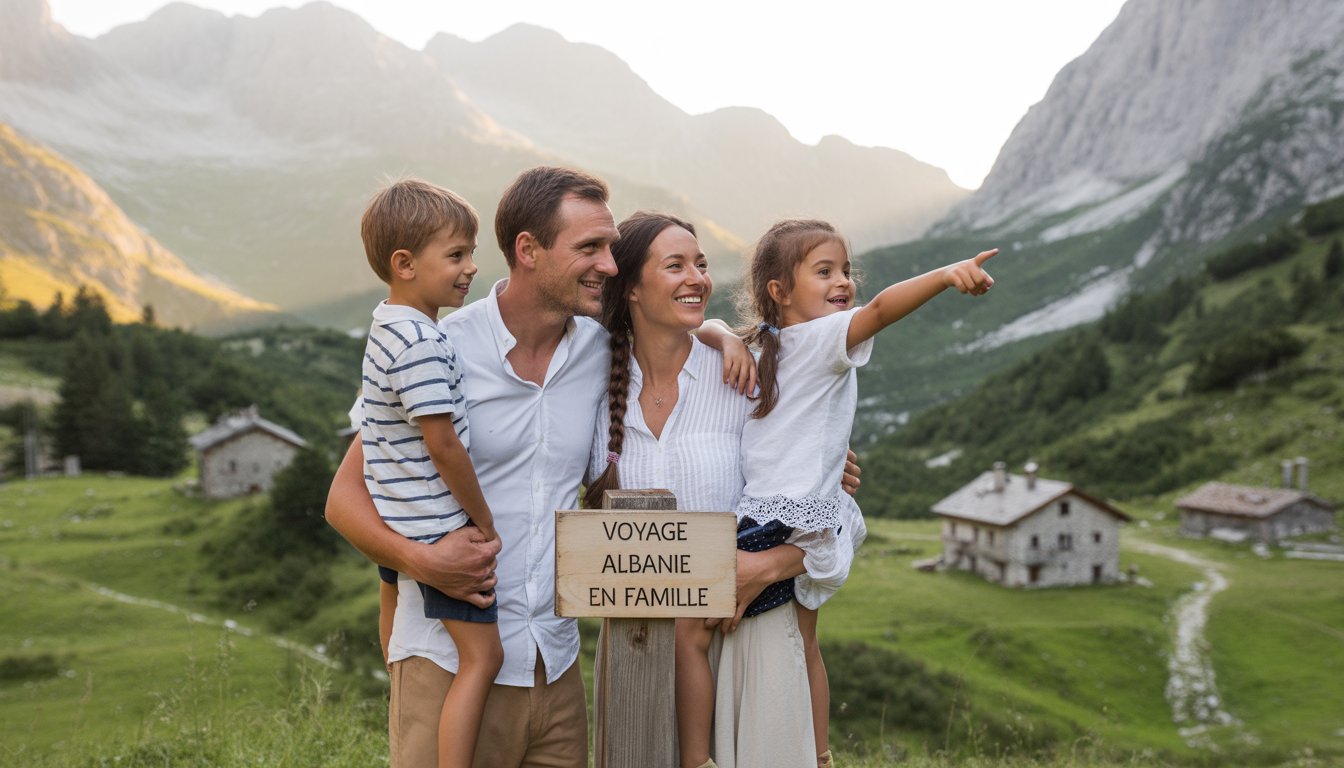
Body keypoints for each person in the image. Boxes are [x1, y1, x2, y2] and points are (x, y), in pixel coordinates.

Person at [327, 167, 748, 767]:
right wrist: (424, 562)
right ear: (528, 250)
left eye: (610, 247)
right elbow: (343, 500)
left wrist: (722, 331)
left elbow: (667, 329)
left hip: (555, 665)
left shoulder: (601, 350)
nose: (609, 263)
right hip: (448, 662)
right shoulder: (443, 346)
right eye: (589, 248)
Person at [707, 219, 997, 768]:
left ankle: (725, 749)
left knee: (743, 642)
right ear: (780, 292)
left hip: (778, 515)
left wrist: (941, 278)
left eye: (846, 270)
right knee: (802, 644)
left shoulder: (813, 339)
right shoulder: (782, 342)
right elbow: (711, 324)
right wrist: (721, 333)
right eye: (825, 271)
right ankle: (818, 752)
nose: (844, 282)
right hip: (791, 512)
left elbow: (882, 310)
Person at [584, 212, 859, 768]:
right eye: (676, 265)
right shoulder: (587, 380)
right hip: (633, 656)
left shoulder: (752, 379)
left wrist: (770, 565)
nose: (697, 278)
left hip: (742, 636)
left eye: (702, 265)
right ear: (631, 287)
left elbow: (834, 512)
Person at [357, 178, 502, 768]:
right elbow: (442, 444)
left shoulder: (387, 324)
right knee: (483, 658)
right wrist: (482, 519)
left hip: (395, 511)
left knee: (396, 628)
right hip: (434, 523)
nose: (471, 267)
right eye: (456, 255)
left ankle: (401, 695)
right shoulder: (421, 342)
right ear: (405, 264)